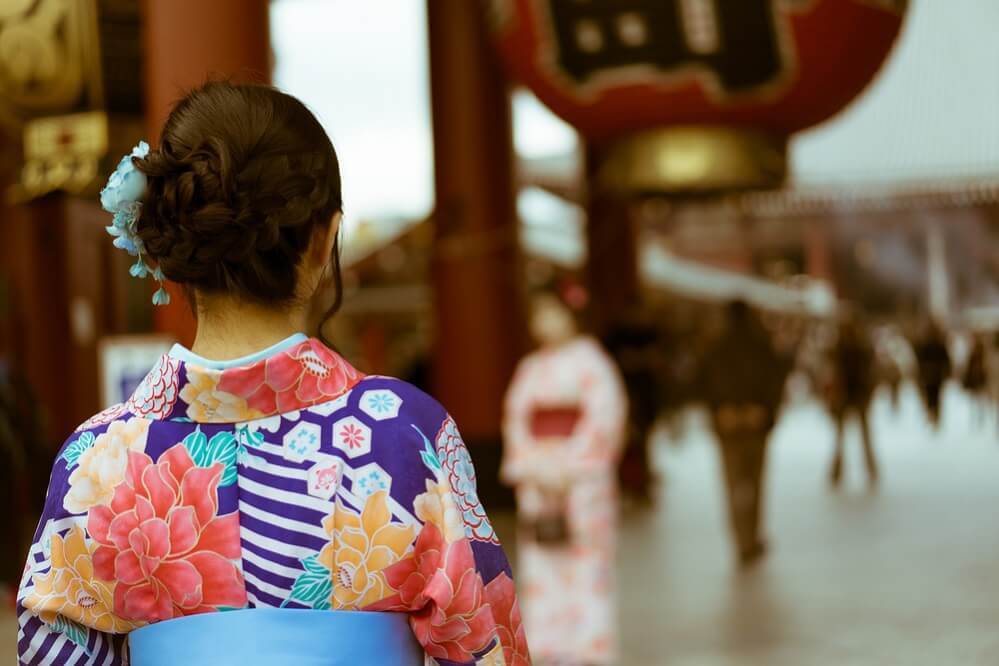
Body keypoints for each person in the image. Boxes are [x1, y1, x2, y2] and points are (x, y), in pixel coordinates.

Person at [17, 82, 529, 666]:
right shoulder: (405, 436)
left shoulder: (96, 459)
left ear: (169, 249)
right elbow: (486, 646)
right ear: (324, 239)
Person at [502, 287, 627, 666]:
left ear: (572, 316)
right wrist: (536, 466)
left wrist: (568, 466)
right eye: (539, 314)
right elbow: (516, 419)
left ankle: (589, 644)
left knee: (586, 558)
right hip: (540, 476)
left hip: (580, 481)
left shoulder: (594, 363)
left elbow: (604, 418)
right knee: (543, 557)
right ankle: (550, 641)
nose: (544, 323)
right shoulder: (529, 368)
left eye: (552, 313)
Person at [699, 301, 790, 565]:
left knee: (733, 484)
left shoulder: (715, 346)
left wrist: (722, 410)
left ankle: (742, 539)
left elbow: (703, 384)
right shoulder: (761, 345)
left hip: (730, 425)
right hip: (754, 424)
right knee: (755, 482)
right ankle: (751, 535)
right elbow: (775, 380)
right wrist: (760, 409)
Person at [828, 317, 879, 487]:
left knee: (845, 437)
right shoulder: (852, 348)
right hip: (852, 396)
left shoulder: (845, 348)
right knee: (848, 437)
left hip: (853, 395)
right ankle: (866, 470)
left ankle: (841, 471)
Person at [915, 323, 952, 428]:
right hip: (929, 376)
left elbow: (946, 360)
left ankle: (935, 416)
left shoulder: (938, 344)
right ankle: (932, 415)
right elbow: (920, 361)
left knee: (935, 396)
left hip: (935, 376)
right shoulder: (925, 345)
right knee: (931, 396)